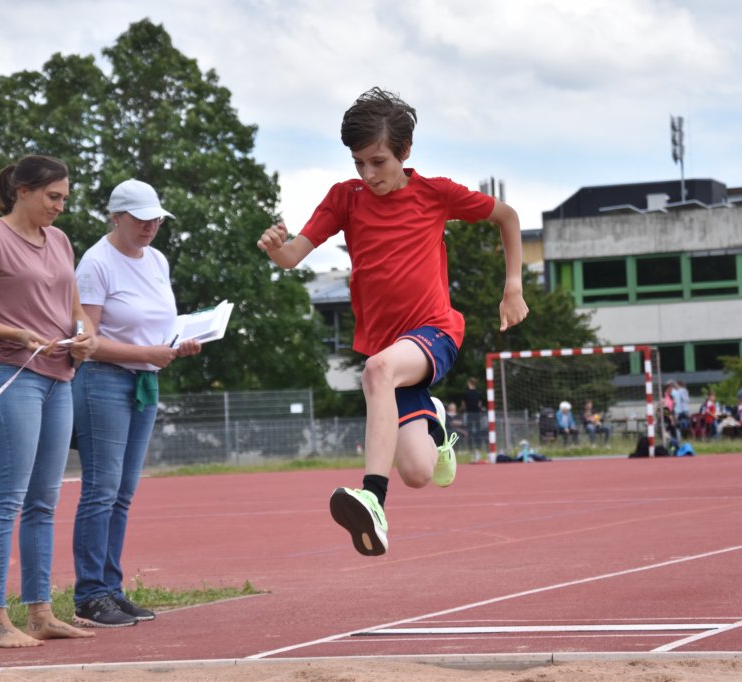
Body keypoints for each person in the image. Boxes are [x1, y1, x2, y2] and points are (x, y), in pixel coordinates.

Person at [257, 87, 528, 556]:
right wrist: (276, 248)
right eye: (359, 163)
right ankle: (435, 425)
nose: (368, 174)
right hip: (388, 347)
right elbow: (293, 256)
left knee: (377, 370)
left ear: (405, 151)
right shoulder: (345, 198)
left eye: (378, 162)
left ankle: (373, 500)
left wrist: (514, 286)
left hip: (435, 331)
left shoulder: (435, 194)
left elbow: (507, 216)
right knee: (419, 472)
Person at [0, 155, 98, 647]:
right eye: (53, 197)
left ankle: (40, 613)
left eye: (65, 198)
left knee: (44, 502)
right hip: (10, 375)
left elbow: (75, 309)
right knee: (7, 499)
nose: (60, 206)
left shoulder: (60, 241)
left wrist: (85, 335)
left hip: (59, 378)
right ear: (22, 190)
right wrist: (16, 333)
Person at [71, 179, 202, 628]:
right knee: (102, 490)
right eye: (142, 219)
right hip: (102, 381)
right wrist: (147, 352)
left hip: (146, 381)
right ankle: (90, 595)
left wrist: (180, 343)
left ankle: (111, 588)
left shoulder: (158, 259)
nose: (151, 226)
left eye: (157, 219)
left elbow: (159, 324)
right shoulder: (95, 263)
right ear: (116, 217)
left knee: (123, 493)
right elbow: (86, 342)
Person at [462, 376, 486, 458]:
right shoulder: (478, 393)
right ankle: (478, 448)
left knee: (469, 431)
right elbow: (480, 404)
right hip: (477, 414)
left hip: (469, 414)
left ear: (469, 383)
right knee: (478, 431)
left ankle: (471, 448)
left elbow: (463, 405)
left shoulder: (466, 393)